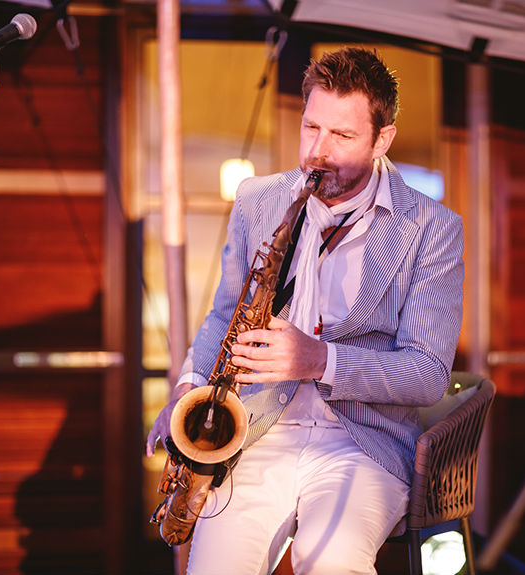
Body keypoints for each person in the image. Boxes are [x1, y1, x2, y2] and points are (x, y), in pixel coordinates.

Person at [147, 46, 464, 575]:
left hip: (364, 444)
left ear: (381, 140)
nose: (318, 152)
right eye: (311, 127)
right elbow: (225, 312)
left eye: (342, 136)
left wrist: (319, 360)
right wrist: (189, 384)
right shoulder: (257, 200)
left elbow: (427, 374)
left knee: (328, 560)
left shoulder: (433, 228)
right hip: (258, 432)